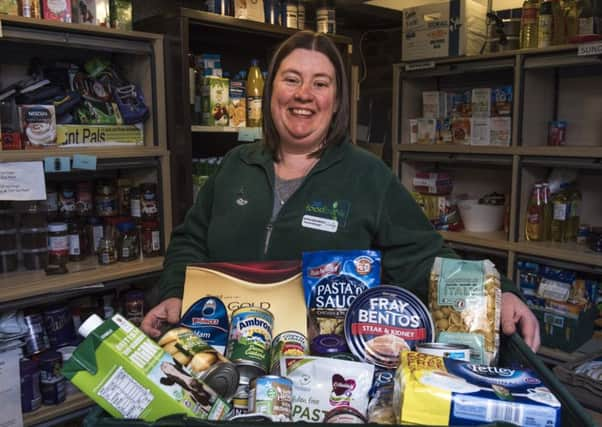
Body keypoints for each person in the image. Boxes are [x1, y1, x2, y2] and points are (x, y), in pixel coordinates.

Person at [141, 31, 540, 352]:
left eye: (320, 83)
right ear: (272, 91)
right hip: (221, 351)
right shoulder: (235, 165)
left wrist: (498, 294)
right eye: (291, 79)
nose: (303, 95)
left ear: (336, 102)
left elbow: (424, 257)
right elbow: (191, 242)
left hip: (319, 362)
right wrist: (175, 293)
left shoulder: (367, 175)